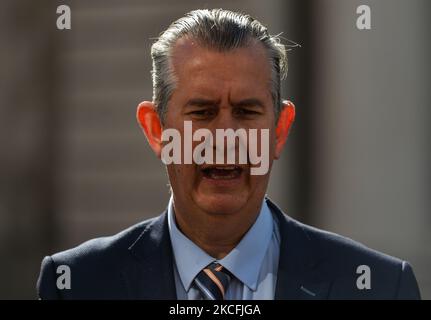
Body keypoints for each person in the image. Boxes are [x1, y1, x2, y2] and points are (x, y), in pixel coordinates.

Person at [37, 9, 420, 300]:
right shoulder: (78, 281)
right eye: (202, 113)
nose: (225, 137)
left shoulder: (379, 285)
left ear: (280, 130)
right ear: (156, 130)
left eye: (246, 112)